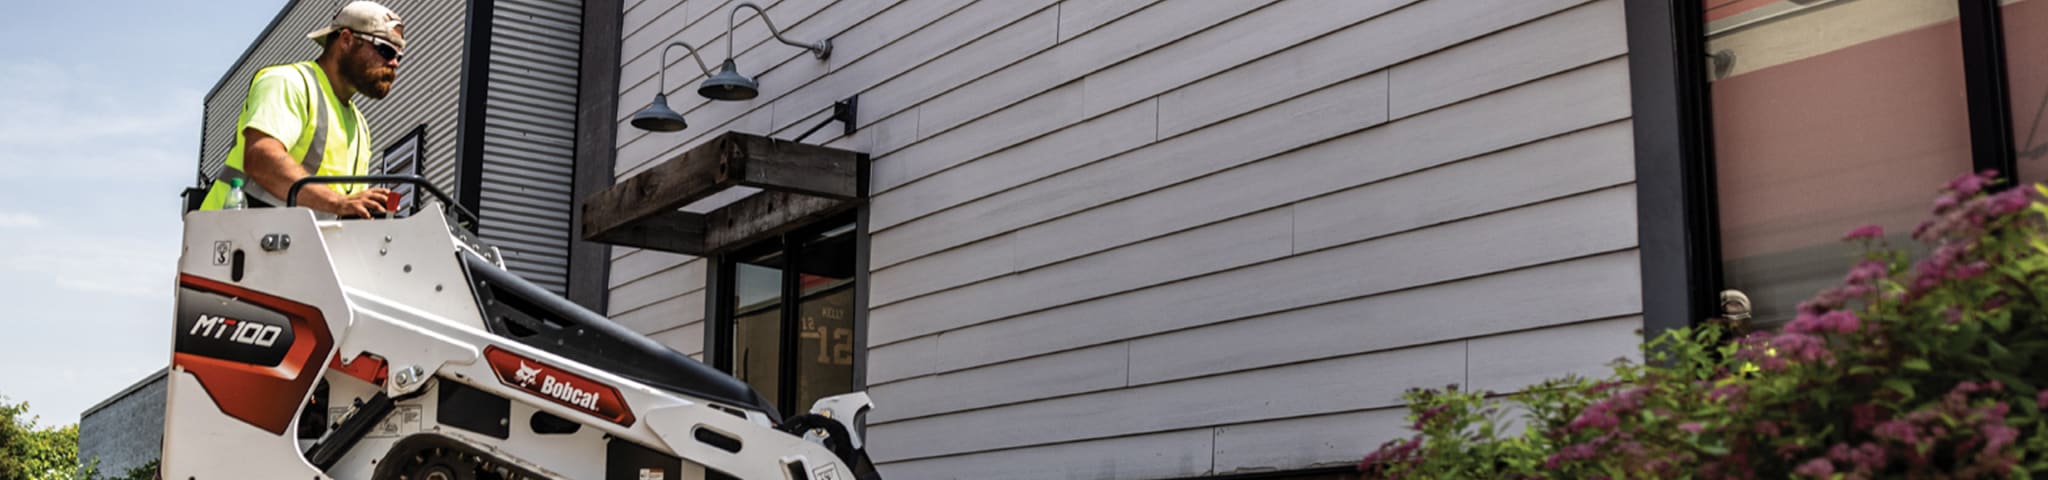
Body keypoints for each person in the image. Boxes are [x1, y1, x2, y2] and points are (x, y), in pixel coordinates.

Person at [199, 1, 407, 219]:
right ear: (346, 40)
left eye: (399, 57)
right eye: (385, 50)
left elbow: (345, 207)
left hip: (290, 244)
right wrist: (338, 202)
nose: (394, 63)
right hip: (229, 237)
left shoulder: (360, 125)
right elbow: (261, 158)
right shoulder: (288, 82)